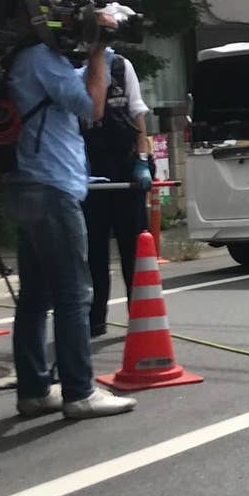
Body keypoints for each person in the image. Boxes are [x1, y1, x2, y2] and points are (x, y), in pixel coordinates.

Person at [6, 0, 137, 420]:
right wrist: (99, 48)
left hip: (30, 185)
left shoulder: (29, 59)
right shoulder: (40, 58)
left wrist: (104, 45)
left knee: (37, 293)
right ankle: (79, 391)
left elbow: (74, 85)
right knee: (73, 292)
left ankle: (35, 390)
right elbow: (92, 105)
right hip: (52, 188)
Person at [83, 51, 153, 337]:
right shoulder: (74, 66)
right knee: (93, 253)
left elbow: (137, 115)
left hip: (126, 169)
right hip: (89, 170)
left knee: (134, 250)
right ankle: (95, 320)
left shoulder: (123, 66)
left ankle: (141, 316)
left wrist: (143, 160)